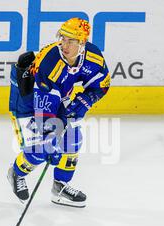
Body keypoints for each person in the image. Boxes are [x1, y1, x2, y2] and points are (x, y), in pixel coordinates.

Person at [7, 17, 110, 208]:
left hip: (59, 94)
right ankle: (16, 173)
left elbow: (102, 85)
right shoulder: (50, 63)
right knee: (42, 148)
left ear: (83, 43)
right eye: (63, 38)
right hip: (28, 97)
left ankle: (60, 186)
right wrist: (50, 137)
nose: (64, 44)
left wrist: (84, 101)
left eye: (71, 40)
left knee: (73, 138)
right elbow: (44, 112)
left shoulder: (93, 57)